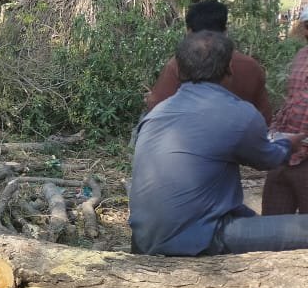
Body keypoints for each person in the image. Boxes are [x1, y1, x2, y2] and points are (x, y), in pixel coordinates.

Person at [129, 30, 308, 256]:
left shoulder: (157, 113)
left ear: (179, 69)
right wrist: (287, 145)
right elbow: (267, 159)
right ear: (229, 69)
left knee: (251, 218)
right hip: (199, 236)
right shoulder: (239, 113)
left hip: (144, 237)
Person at [144, 0, 272, 123]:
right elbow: (265, 119)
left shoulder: (177, 65)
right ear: (225, 32)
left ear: (189, 33)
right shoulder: (251, 67)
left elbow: (156, 111)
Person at [261, 8, 308, 214]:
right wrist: (274, 133)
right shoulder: (301, 56)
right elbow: (293, 100)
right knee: (272, 224)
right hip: (285, 153)